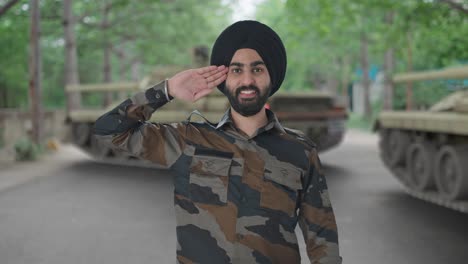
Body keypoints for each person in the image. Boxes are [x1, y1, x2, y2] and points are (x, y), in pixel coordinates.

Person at [94, 20, 342, 264]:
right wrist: (166, 89)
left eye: (257, 69)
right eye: (236, 70)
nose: (247, 81)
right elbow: (108, 131)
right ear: (224, 78)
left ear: (271, 76)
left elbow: (322, 236)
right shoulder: (188, 141)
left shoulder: (300, 151)